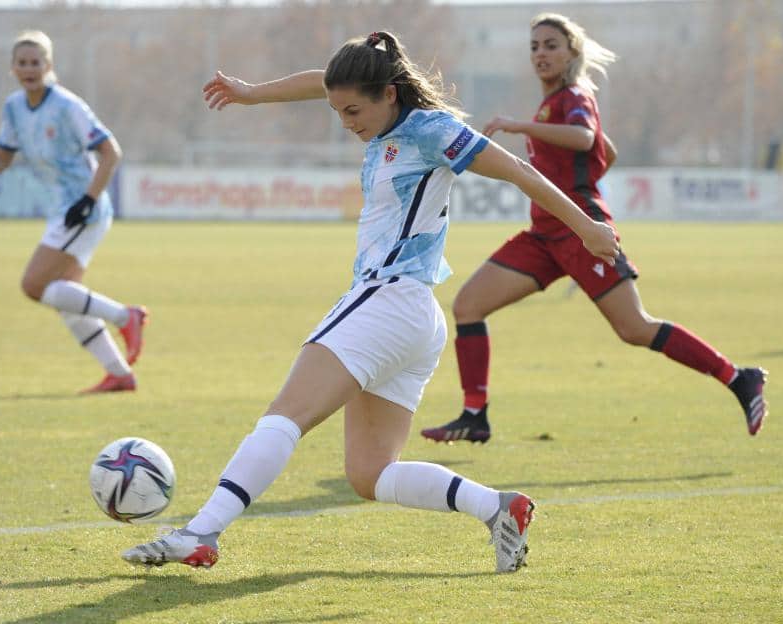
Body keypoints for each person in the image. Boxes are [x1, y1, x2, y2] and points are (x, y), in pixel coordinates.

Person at [121, 31, 619, 573]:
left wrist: (587, 226)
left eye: (353, 111)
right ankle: (497, 508)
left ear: (389, 94)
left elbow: (520, 171)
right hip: (412, 315)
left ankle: (201, 531)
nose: (345, 122)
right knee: (369, 473)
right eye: (337, 111)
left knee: (285, 416)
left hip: (388, 297)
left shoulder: (433, 131)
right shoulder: (376, 108)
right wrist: (252, 93)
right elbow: (322, 82)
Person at [420, 13, 768, 445]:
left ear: (572, 53)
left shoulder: (574, 95)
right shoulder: (553, 103)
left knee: (634, 328)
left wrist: (520, 127)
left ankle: (738, 377)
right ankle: (475, 415)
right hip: (543, 236)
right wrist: (577, 166)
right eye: (534, 47)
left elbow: (586, 138)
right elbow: (607, 149)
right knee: (468, 305)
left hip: (581, 233)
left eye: (551, 45)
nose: (541, 54)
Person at [0, 30, 148, 393]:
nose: (29, 69)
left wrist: (88, 199)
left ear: (49, 66)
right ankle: (119, 374)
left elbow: (111, 152)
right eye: (23, 63)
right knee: (62, 294)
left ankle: (127, 316)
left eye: (36, 62)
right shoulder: (14, 107)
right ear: (13, 68)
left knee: (34, 285)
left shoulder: (67, 106)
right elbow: (2, 159)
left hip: (83, 209)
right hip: (63, 209)